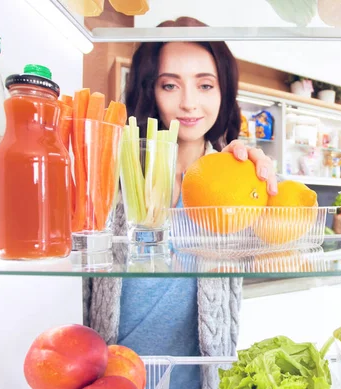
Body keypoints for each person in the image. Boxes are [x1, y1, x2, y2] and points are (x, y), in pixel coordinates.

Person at [82, 17, 278, 389]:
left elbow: (276, 242)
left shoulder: (238, 176)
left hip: (199, 377)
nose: (189, 103)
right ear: (149, 90)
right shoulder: (114, 174)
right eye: (170, 84)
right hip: (112, 375)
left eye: (205, 84)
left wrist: (259, 181)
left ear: (224, 93)